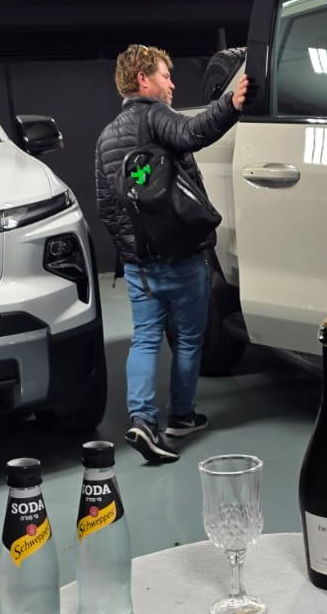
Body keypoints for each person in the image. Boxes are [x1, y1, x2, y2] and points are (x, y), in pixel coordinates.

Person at [95, 44, 248, 464]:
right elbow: (194, 132)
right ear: (142, 79)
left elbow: (106, 205)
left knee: (145, 338)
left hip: (140, 265)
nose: (172, 84)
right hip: (181, 256)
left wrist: (134, 250)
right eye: (165, 75)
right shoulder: (156, 116)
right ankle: (181, 416)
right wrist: (231, 104)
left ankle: (142, 420)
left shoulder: (106, 136)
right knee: (188, 339)